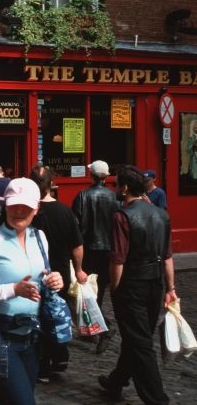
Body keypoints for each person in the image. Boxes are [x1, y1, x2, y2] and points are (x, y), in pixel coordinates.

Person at [0, 177, 64, 405]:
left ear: (36, 208)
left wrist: (53, 279)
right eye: (13, 205)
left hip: (32, 337)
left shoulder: (39, 238)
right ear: (4, 204)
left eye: (25, 207)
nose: (18, 211)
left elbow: (40, 274)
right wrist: (13, 290)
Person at [98, 165, 177, 404]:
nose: (115, 188)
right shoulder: (162, 214)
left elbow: (118, 259)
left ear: (124, 188)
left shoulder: (122, 215)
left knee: (141, 343)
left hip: (132, 285)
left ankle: (157, 399)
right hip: (155, 284)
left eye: (117, 184)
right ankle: (116, 381)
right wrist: (171, 288)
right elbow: (168, 257)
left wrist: (115, 287)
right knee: (138, 337)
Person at [30, 165, 87, 382]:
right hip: (60, 273)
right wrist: (79, 269)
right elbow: (77, 246)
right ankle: (59, 357)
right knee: (56, 315)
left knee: (38, 319)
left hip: (34, 274)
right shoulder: (65, 212)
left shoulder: (28, 212)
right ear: (52, 184)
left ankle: (44, 366)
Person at [72, 160, 119, 354]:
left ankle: (103, 328)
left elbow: (75, 227)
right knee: (96, 294)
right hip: (108, 251)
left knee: (88, 294)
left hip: (89, 251)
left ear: (92, 175)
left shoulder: (83, 196)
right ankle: (93, 329)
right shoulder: (115, 197)